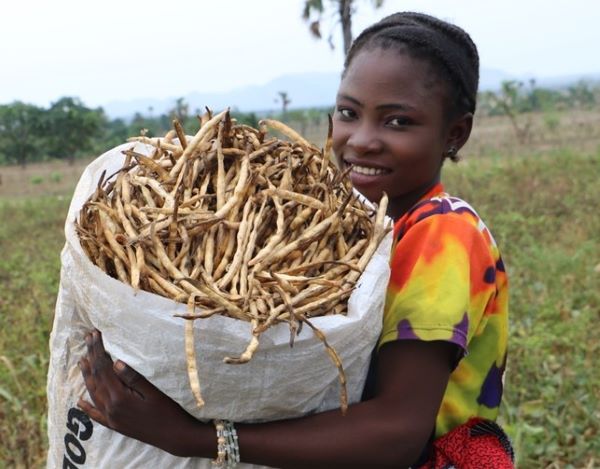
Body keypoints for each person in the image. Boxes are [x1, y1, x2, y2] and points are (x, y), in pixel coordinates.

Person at [77, 12, 512, 468]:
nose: (361, 141)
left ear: (455, 133)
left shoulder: (442, 233)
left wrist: (197, 438)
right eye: (348, 113)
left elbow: (399, 431)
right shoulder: (354, 230)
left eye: (398, 122)